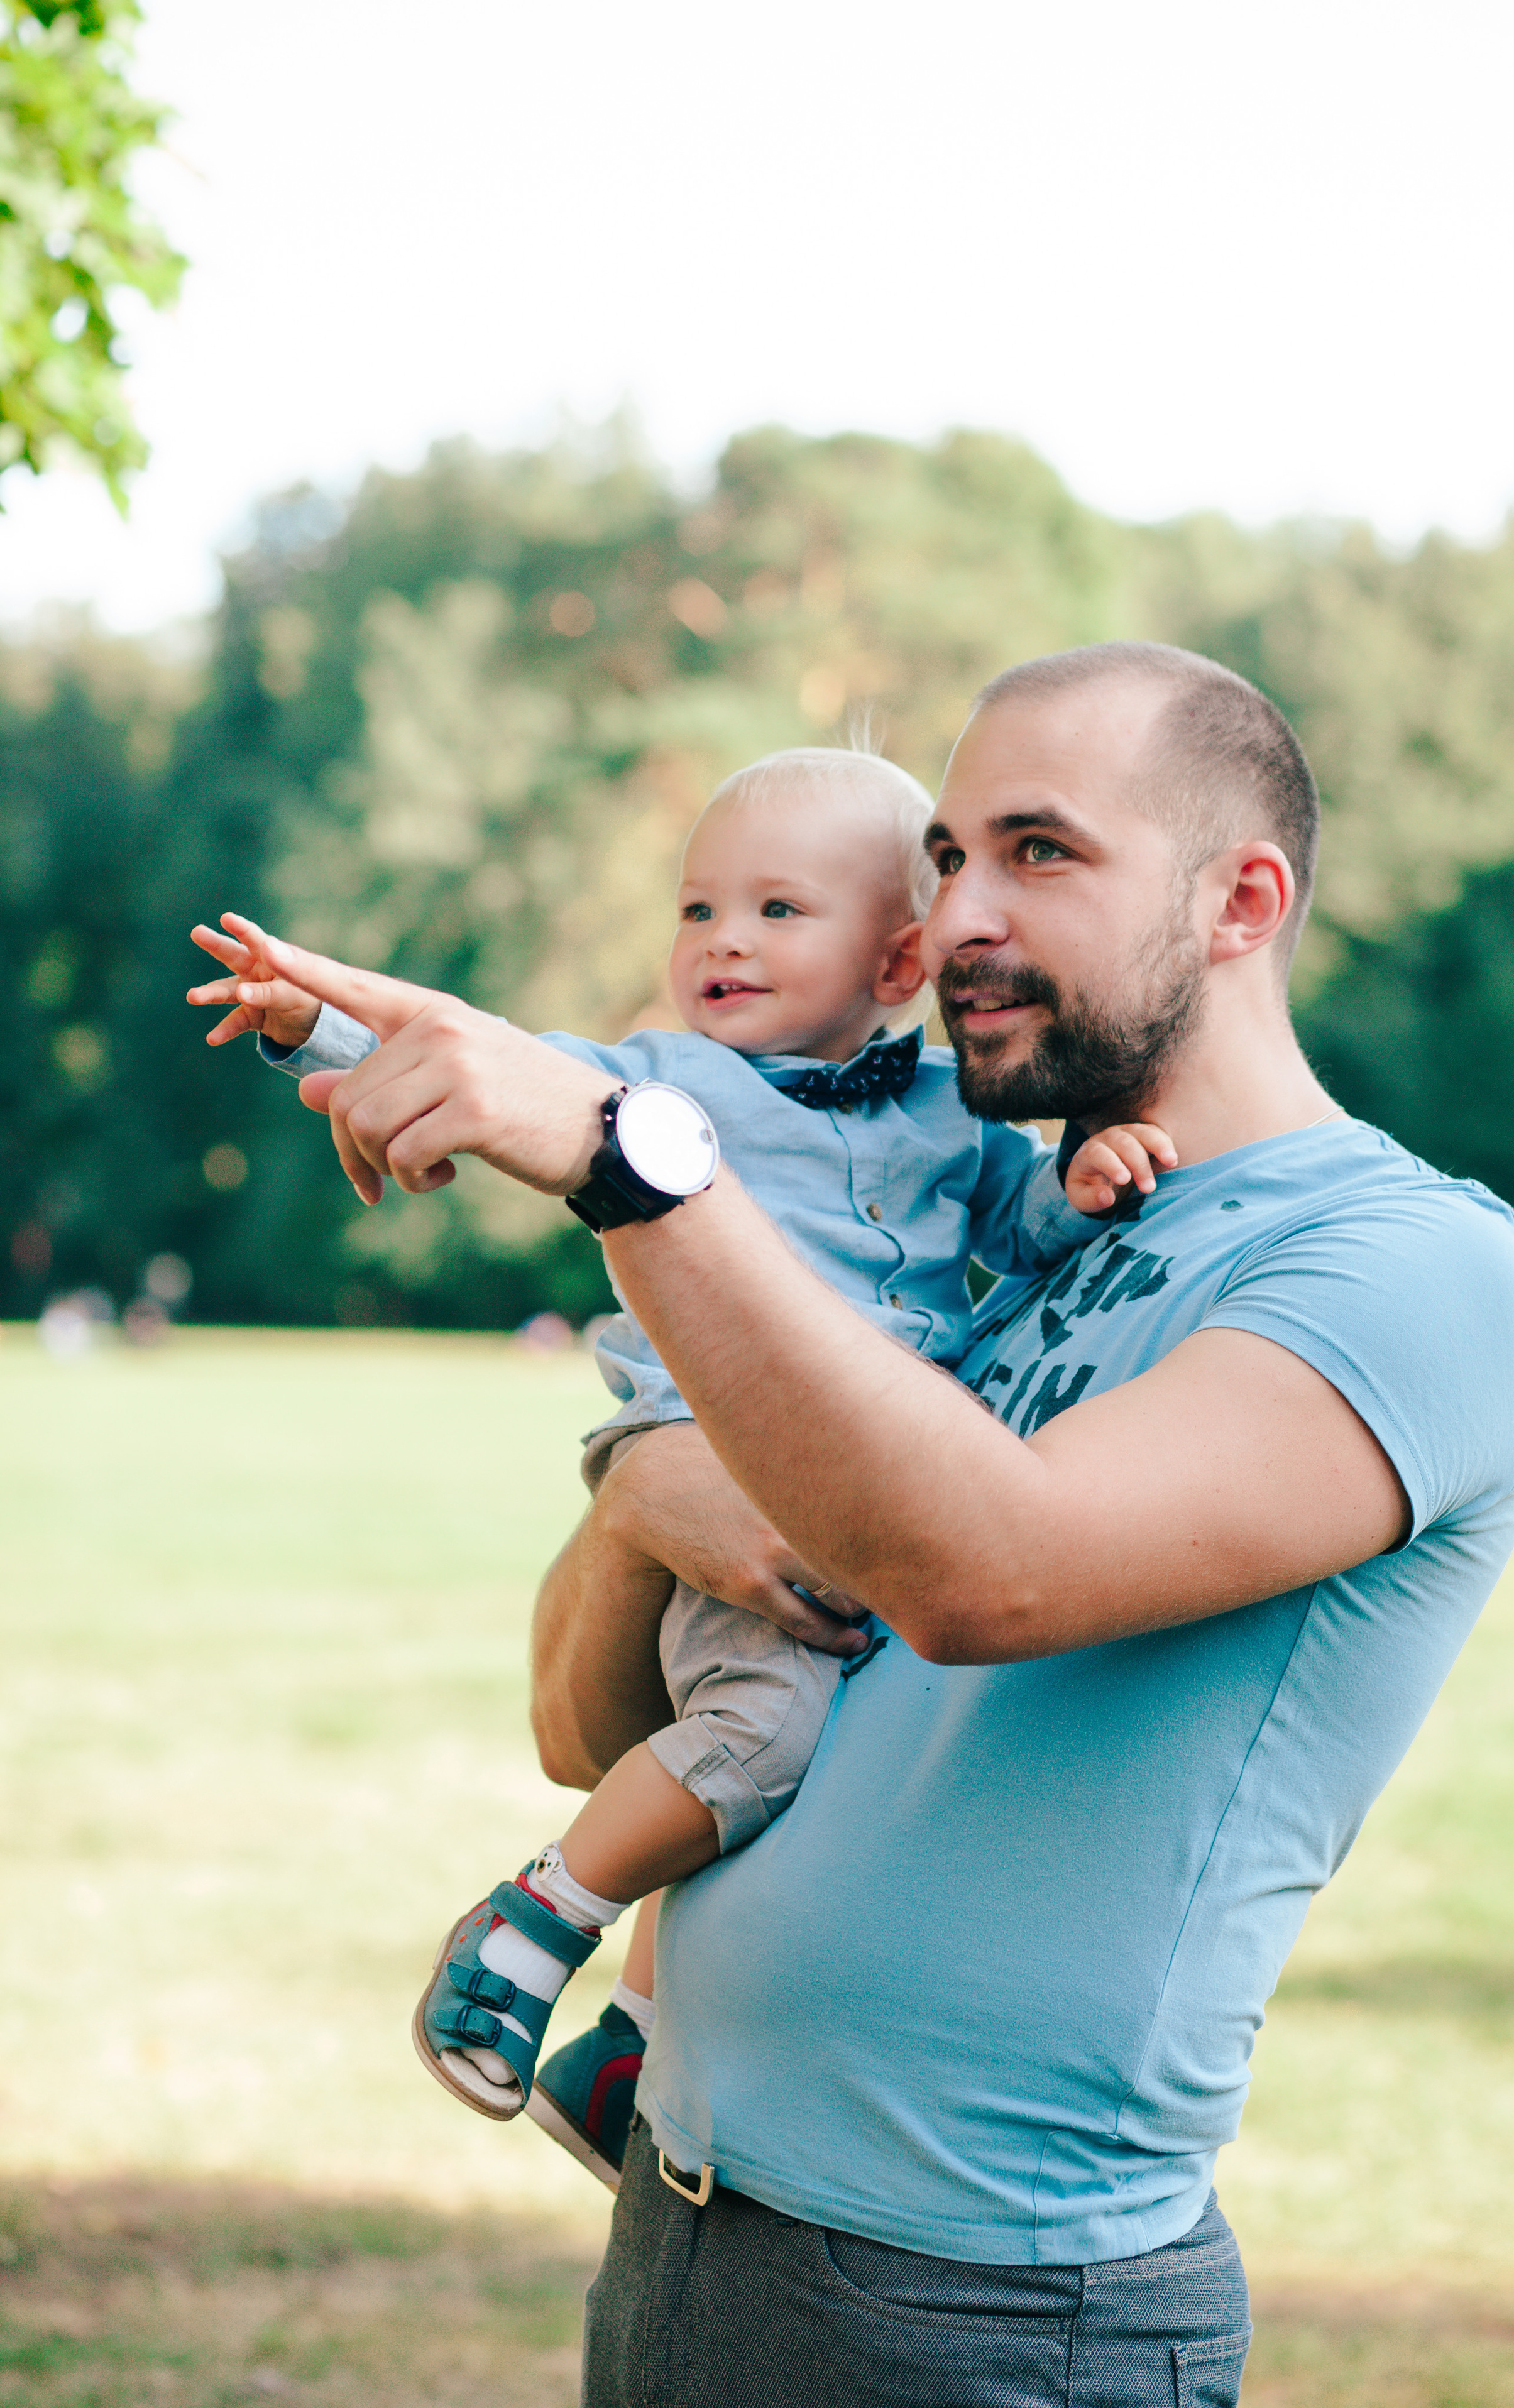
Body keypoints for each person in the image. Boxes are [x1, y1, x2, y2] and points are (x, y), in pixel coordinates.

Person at [198, 643, 1514, 2408]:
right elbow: (582, 1730)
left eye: (1037, 853)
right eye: (945, 858)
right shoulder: (981, 1245)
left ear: (1240, 902)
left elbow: (991, 1572)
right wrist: (643, 1502)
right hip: (684, 2208)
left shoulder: (1404, 1266)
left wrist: (625, 1152)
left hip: (980, 2304)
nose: (959, 914)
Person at [188, 744, 1169, 2188]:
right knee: (761, 1733)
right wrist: (310, 1026)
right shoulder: (658, 1082)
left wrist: (1081, 1188)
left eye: (776, 910)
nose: (722, 940)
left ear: (898, 960)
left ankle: (627, 2054)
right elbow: (482, 1059)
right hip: (715, 1453)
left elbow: (1017, 1238)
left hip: (873, 1476)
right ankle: (531, 1928)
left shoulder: (955, 1115)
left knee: (831, 1756)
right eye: (698, 908)